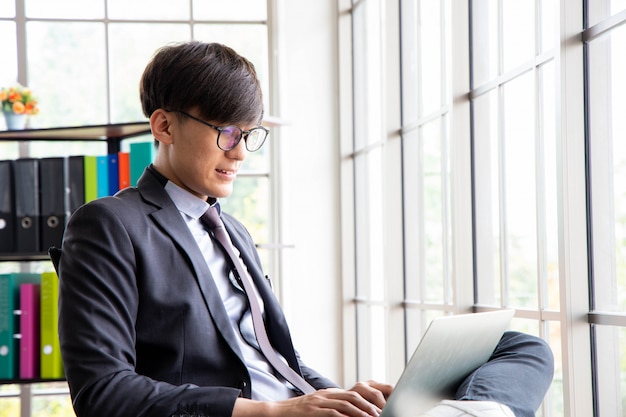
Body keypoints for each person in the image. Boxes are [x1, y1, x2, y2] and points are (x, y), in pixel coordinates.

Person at [57, 41, 554, 417]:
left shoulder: (233, 232)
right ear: (164, 126)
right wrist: (275, 413)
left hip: (300, 407)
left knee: (521, 347)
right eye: (226, 133)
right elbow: (104, 391)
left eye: (248, 135)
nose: (238, 153)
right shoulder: (110, 224)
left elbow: (273, 357)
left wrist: (337, 395)